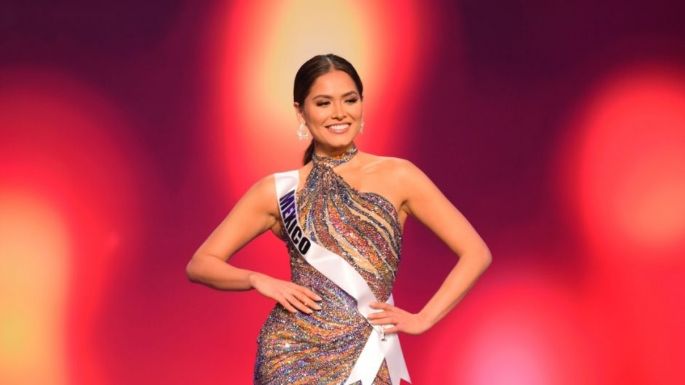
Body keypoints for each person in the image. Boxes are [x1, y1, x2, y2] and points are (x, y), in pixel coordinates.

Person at [186, 53, 492, 385]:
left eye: (350, 100)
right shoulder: (277, 191)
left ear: (362, 105)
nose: (339, 113)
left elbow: (476, 253)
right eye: (323, 103)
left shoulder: (400, 176)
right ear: (300, 111)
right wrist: (259, 280)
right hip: (291, 355)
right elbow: (201, 263)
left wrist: (425, 318)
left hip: (368, 350)